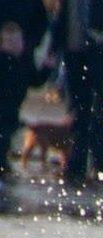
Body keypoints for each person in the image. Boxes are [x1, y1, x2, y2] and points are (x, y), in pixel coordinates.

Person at [51, 0, 103, 188]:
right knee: (77, 112)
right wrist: (54, 48)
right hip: (74, 54)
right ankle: (75, 165)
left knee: (102, 113)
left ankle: (102, 166)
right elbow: (61, 17)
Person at [0, 0, 50, 190]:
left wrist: (46, 68)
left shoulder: (23, 62)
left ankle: (3, 164)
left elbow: (35, 81)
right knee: (3, 134)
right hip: (3, 106)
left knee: (7, 132)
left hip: (13, 107)